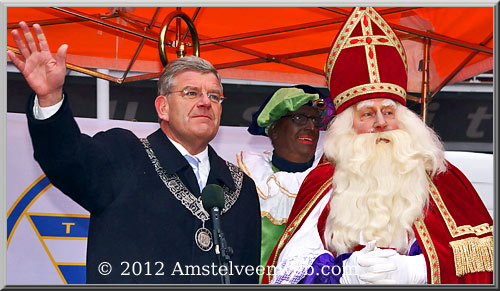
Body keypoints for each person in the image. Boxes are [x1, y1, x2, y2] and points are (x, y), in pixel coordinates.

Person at [8, 21, 261, 284]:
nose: (205, 102)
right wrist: (50, 98)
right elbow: (66, 159)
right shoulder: (124, 155)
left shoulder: (239, 187)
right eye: (191, 92)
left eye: (215, 96)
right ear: (162, 108)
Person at [262, 7, 493, 285]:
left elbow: (485, 257)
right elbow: (286, 273)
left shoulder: (443, 177)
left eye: (389, 111)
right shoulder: (323, 182)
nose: (381, 123)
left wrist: (421, 270)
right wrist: (342, 275)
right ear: (349, 126)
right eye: (367, 114)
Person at [237, 85, 334, 279]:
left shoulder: (331, 182)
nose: (311, 127)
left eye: (315, 119)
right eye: (299, 118)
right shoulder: (245, 179)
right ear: (273, 128)